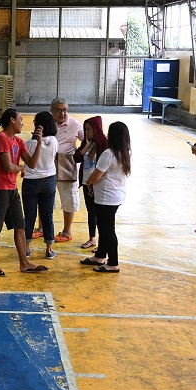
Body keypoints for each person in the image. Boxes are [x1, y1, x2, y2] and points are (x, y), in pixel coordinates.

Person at [0, 108, 47, 277]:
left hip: (12, 189)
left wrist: (39, 143)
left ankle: (24, 263)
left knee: (20, 226)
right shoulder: (2, 139)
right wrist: (21, 167)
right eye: (20, 119)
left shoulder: (18, 142)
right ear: (12, 120)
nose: (22, 122)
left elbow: (32, 164)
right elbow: (8, 167)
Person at [81, 121, 131, 273]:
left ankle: (113, 263)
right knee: (103, 227)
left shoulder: (109, 154)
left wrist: (89, 183)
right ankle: (100, 255)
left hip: (106, 198)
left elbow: (96, 176)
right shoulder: (125, 152)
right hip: (115, 196)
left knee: (107, 229)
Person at [22, 111, 59, 260]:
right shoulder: (54, 141)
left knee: (29, 216)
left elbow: (28, 160)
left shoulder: (29, 143)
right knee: (47, 215)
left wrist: (35, 138)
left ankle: (27, 247)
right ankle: (49, 249)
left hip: (31, 181)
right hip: (49, 180)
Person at [49, 98, 84, 243]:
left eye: (65, 110)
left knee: (69, 197)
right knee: (45, 197)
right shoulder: (47, 123)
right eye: (59, 110)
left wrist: (79, 156)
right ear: (52, 111)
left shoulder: (75, 124)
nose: (63, 113)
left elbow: (88, 142)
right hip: (48, 166)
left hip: (67, 166)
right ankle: (41, 228)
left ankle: (67, 231)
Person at [75, 116, 108, 250]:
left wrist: (95, 182)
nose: (86, 132)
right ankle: (92, 238)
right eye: (85, 129)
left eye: (89, 129)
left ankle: (102, 242)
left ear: (96, 129)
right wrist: (86, 146)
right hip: (86, 182)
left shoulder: (104, 144)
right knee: (91, 211)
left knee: (100, 213)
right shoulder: (87, 142)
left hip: (98, 184)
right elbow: (76, 158)